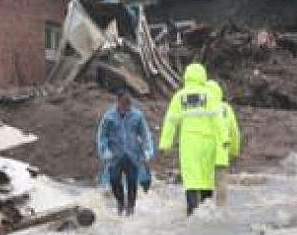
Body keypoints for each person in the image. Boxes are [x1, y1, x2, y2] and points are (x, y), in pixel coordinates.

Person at [160, 62, 222, 215]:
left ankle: (192, 212)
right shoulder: (210, 96)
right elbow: (218, 120)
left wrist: (165, 143)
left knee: (191, 177)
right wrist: (224, 140)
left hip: (189, 143)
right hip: (208, 143)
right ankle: (207, 209)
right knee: (206, 176)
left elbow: (171, 121)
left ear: (186, 77)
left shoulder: (179, 97)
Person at [96, 89, 154, 217]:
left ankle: (131, 209)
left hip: (132, 155)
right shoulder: (109, 117)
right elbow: (102, 136)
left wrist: (148, 150)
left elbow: (145, 134)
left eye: (128, 105)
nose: (126, 108)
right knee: (114, 180)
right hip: (115, 156)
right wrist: (104, 150)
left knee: (132, 181)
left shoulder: (137, 116)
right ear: (118, 102)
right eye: (124, 105)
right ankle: (121, 203)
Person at [207, 80, 241, 205]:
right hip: (221, 153)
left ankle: (203, 207)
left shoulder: (202, 108)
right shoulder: (226, 109)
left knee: (203, 182)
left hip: (203, 153)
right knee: (221, 182)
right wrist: (234, 150)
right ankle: (221, 206)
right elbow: (234, 132)